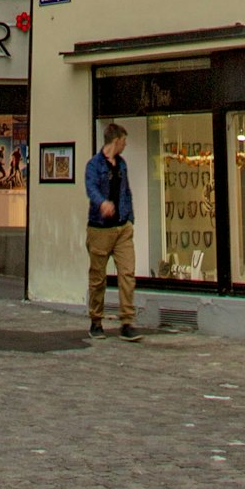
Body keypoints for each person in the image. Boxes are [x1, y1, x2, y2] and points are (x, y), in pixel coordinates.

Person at [84, 123, 140, 338]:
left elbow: (127, 192)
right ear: (115, 141)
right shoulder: (94, 165)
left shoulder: (122, 165)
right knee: (98, 277)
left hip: (122, 227)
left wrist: (130, 218)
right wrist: (102, 203)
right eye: (124, 141)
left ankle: (127, 321)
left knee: (127, 273)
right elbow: (91, 188)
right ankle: (96, 320)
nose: (125, 145)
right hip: (100, 229)